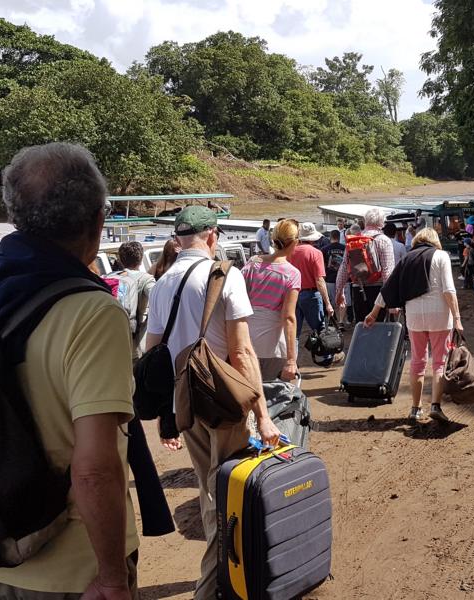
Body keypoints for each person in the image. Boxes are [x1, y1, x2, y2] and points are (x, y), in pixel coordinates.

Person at [0, 143, 138, 598]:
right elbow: (94, 470)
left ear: (17, 218)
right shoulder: (92, 312)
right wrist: (112, 577)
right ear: (97, 219)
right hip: (74, 565)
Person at [144, 205, 281, 600]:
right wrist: (263, 415)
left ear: (178, 238)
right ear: (212, 235)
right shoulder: (225, 275)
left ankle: (226, 575)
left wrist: (168, 414)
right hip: (223, 403)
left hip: (185, 403)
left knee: (210, 493)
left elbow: (154, 352)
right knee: (230, 498)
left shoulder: (163, 281)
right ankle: (215, 585)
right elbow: (242, 353)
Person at [364, 228, 463, 423]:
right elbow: (449, 290)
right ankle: (435, 405)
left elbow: (388, 288)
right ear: (435, 241)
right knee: (440, 363)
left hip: (415, 317)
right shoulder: (441, 255)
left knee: (418, 362)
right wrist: (457, 318)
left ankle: (415, 409)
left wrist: (374, 313)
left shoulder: (407, 259)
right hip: (440, 316)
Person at [242, 219, 300, 381]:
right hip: (272, 346)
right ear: (294, 242)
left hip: (245, 341)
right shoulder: (291, 273)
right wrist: (291, 360)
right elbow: (288, 317)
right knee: (274, 399)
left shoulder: (252, 264)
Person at [335, 208, 396, 324]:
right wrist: (391, 299)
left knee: (362, 329)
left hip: (358, 289)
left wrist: (340, 292)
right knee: (379, 329)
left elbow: (344, 267)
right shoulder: (384, 240)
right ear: (382, 222)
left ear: (365, 221)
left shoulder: (355, 240)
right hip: (378, 292)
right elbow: (388, 272)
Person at [290, 223, 336, 361]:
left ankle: (292, 363)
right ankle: (326, 358)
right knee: (320, 329)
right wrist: (328, 303)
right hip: (311, 295)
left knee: (294, 333)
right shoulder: (316, 253)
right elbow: (319, 280)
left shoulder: (290, 252)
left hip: (293, 294)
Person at [106, 241, 155, 360]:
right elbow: (159, 300)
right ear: (141, 258)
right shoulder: (146, 279)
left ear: (120, 259)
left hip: (109, 338)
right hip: (133, 341)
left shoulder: (109, 277)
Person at [322, 229, 346, 314]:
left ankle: (334, 317)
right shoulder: (345, 248)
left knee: (332, 300)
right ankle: (342, 321)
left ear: (330, 237)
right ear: (339, 237)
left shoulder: (324, 249)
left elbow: (323, 265)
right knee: (344, 300)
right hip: (344, 278)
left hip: (329, 278)